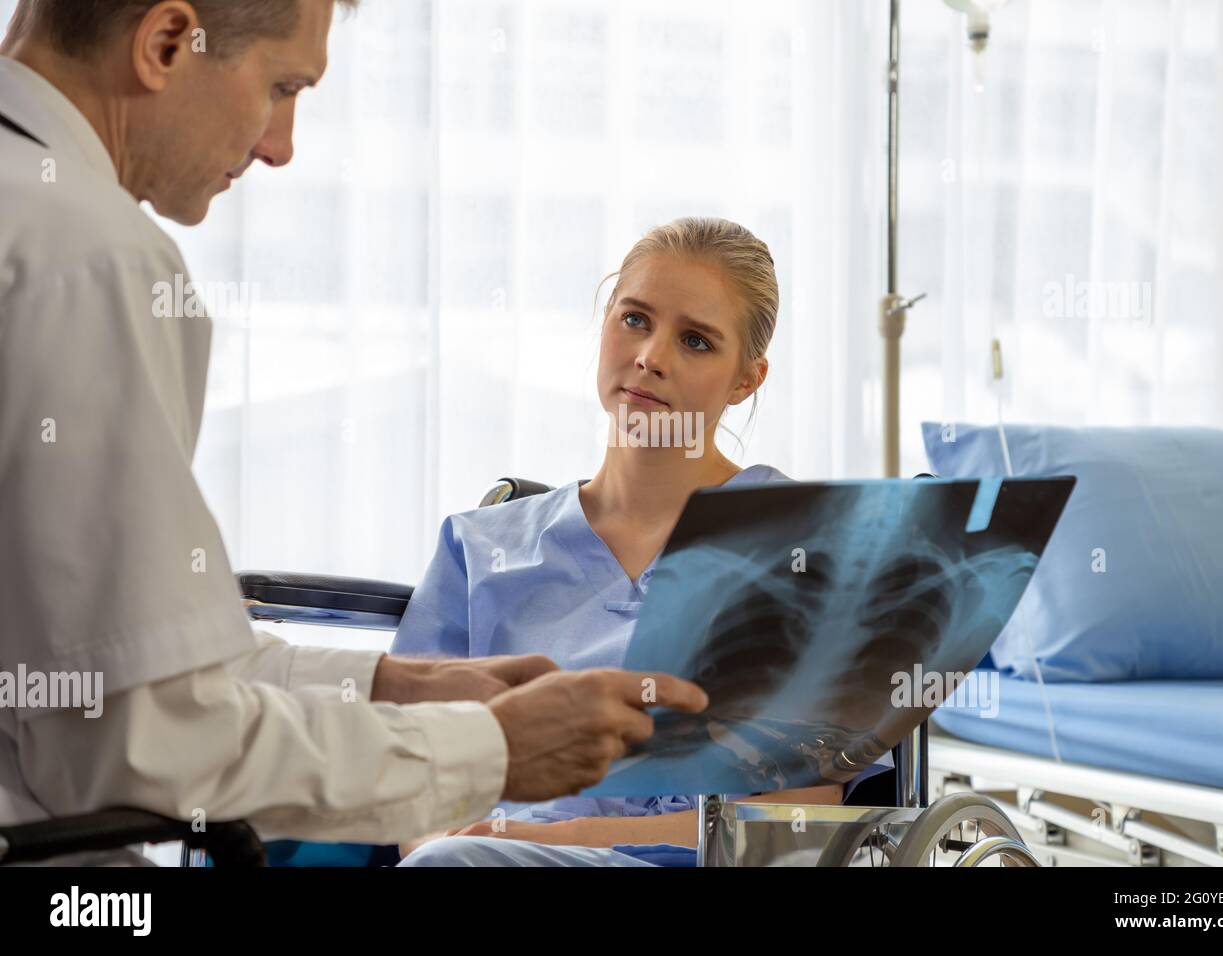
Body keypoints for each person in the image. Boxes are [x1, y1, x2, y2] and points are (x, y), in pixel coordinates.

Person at [0, 0, 706, 864]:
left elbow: (87, 667)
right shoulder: (94, 260)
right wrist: (491, 753)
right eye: (281, 87)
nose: (281, 144)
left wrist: (394, 683)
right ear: (166, 43)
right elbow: (142, 743)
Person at [394, 218, 848, 867]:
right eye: (635, 320)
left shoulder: (805, 544)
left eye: (695, 340)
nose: (651, 357)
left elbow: (807, 814)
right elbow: (416, 781)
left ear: (746, 379)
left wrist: (540, 841)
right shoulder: (482, 547)